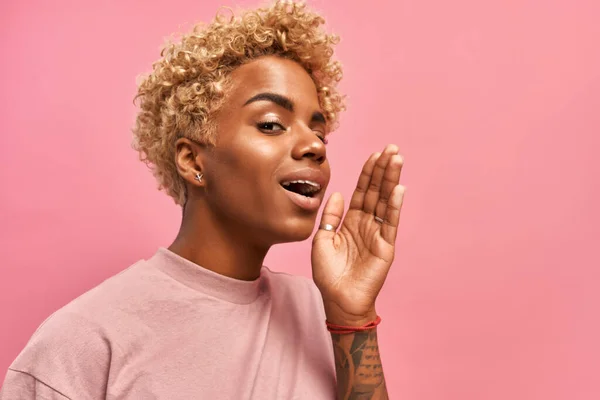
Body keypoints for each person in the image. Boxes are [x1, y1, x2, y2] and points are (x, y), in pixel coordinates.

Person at [0, 1, 405, 399]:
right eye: (271, 125)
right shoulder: (84, 341)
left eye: (320, 133)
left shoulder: (320, 313)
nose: (314, 147)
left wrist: (353, 318)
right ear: (193, 160)